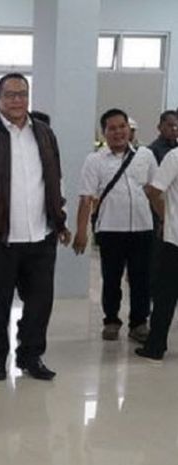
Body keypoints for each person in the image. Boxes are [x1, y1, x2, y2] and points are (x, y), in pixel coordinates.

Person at [0, 73, 71, 382]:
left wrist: (59, 220)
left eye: (22, 94)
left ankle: (30, 355)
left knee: (39, 303)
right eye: (10, 95)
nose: (17, 100)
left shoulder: (45, 134)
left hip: (41, 236)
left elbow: (54, 179)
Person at [73, 108, 157, 342]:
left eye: (122, 127)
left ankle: (139, 323)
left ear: (129, 129)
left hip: (143, 227)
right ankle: (111, 320)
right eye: (112, 128)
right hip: (110, 229)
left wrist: (166, 220)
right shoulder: (95, 160)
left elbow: (153, 191)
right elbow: (86, 197)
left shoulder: (145, 155)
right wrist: (82, 232)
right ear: (104, 133)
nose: (118, 132)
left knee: (142, 278)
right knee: (111, 278)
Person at [135, 147, 178, 361]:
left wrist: (165, 217)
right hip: (175, 237)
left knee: (166, 295)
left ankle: (155, 346)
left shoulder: (175, 156)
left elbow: (153, 190)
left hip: (175, 238)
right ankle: (155, 344)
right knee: (165, 294)